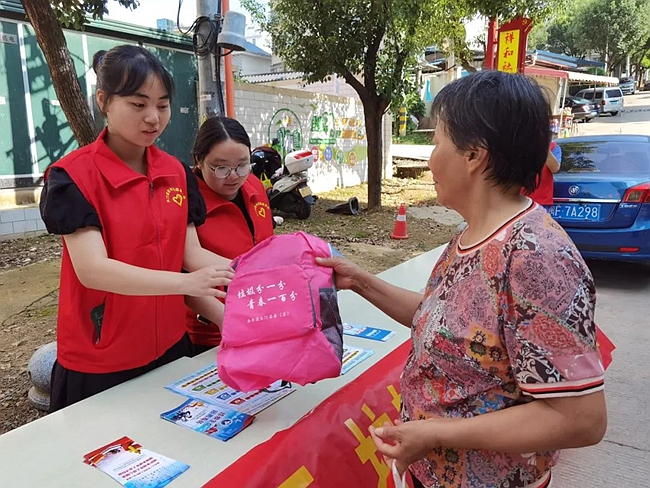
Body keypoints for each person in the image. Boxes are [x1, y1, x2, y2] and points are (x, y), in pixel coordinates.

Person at [318, 71, 607, 488]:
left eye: (437, 142)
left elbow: (581, 419)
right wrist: (361, 280)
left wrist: (436, 434)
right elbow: (441, 320)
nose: (431, 158)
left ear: (474, 155)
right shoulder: (472, 234)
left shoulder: (535, 257)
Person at [39, 45, 234, 411]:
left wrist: (249, 270)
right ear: (104, 101)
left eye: (162, 105)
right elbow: (94, 270)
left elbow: (191, 253)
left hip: (171, 346)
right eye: (138, 104)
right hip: (101, 362)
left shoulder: (175, 172)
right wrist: (185, 283)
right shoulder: (74, 177)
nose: (153, 118)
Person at [184, 117, 274, 356]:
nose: (234, 176)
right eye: (221, 168)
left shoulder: (254, 187)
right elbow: (182, 277)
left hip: (263, 316)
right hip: (211, 332)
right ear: (199, 161)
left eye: (243, 165)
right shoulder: (186, 202)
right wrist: (226, 320)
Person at [525, 139, 561, 206]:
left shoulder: (553, 147)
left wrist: (543, 147)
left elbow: (555, 168)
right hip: (521, 199)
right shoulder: (520, 144)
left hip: (542, 200)